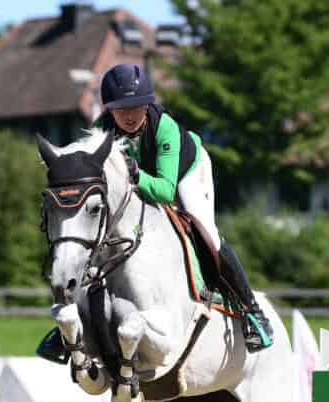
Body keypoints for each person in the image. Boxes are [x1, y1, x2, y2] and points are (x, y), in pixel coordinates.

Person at [40, 63, 273, 357]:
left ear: (147, 104)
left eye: (136, 107)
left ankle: (251, 310)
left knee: (206, 231)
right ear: (109, 109)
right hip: (139, 179)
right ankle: (74, 320)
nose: (129, 115)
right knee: (96, 233)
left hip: (184, 173)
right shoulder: (102, 129)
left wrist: (134, 174)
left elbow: (165, 191)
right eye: (120, 109)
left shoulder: (165, 128)